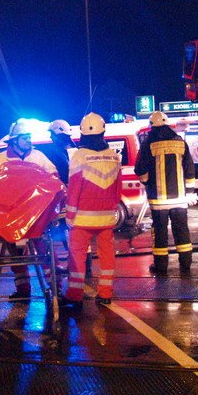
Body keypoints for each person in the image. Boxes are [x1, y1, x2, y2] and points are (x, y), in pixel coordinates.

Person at [0, 119, 61, 300]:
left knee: (45, 252)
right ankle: (23, 288)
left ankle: (55, 288)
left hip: (36, 219)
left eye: (30, 137)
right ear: (15, 140)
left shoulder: (39, 157)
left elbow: (54, 179)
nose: (29, 141)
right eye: (25, 138)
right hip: (11, 219)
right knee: (16, 254)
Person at [63, 114, 122, 306]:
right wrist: (112, 208)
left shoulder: (79, 156)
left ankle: (75, 295)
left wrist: (70, 214)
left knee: (77, 255)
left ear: (82, 132)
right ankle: (105, 293)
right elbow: (117, 189)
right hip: (106, 217)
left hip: (82, 218)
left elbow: (74, 188)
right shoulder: (114, 156)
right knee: (106, 254)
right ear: (103, 131)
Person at [134, 111, 196, 276]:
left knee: (160, 232)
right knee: (182, 229)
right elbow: (189, 168)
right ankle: (186, 263)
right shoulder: (180, 141)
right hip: (180, 198)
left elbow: (140, 169)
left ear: (151, 126)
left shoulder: (148, 143)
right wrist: (189, 191)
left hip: (158, 199)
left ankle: (161, 266)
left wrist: (147, 182)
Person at [47, 119, 74, 184]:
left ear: (58, 135)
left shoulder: (54, 152)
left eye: (52, 134)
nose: (50, 136)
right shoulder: (75, 149)